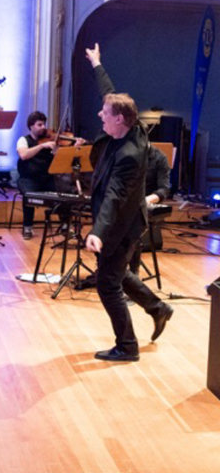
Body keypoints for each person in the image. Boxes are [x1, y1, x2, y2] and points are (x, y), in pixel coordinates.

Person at [84, 44, 173, 362]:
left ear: (120, 120)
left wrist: (98, 231)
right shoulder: (130, 125)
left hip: (122, 224)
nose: (99, 115)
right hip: (126, 219)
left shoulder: (130, 156)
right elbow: (109, 94)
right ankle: (158, 308)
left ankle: (128, 346)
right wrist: (97, 63)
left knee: (107, 284)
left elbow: (114, 197)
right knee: (117, 273)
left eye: (105, 115)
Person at [128, 142, 171, 274]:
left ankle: (132, 273)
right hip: (123, 200)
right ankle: (107, 270)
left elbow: (164, 189)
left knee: (132, 228)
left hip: (144, 203)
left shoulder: (159, 158)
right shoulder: (124, 153)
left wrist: (145, 200)